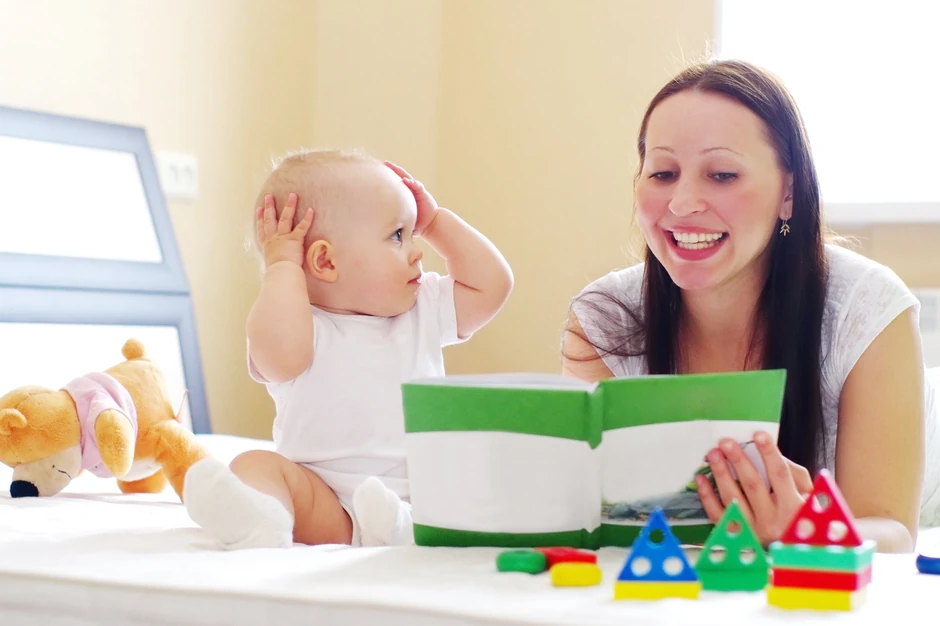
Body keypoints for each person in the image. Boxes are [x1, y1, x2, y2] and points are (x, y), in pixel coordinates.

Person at [561, 59, 939, 553]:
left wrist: (804, 529)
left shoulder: (866, 308)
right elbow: (586, 520)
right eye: (662, 173)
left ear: (789, 193)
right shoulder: (604, 318)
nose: (682, 202)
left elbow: (891, 533)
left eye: (722, 174)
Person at [183, 149, 513, 549]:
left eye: (414, 233)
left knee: (485, 464)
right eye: (397, 235)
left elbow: (493, 285)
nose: (417, 250)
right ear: (325, 261)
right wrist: (283, 267)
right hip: (328, 505)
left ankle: (401, 525)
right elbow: (280, 357)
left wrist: (437, 223)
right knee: (254, 464)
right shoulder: (301, 325)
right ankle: (260, 519)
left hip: (422, 495)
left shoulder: (423, 307)